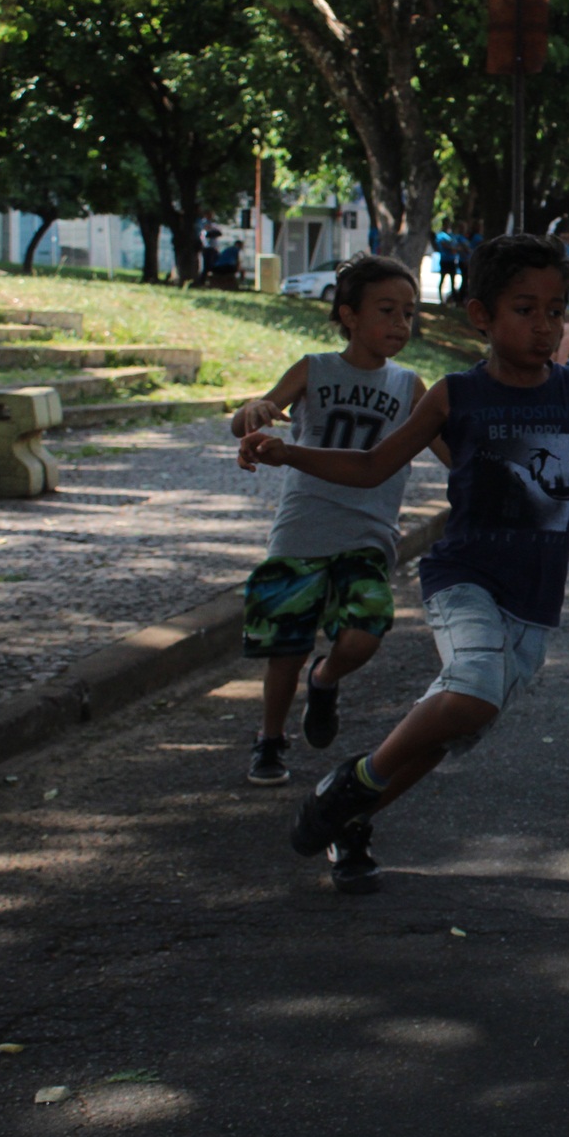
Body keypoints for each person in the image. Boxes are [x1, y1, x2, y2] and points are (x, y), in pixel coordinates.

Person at [238, 235, 569, 894]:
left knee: (454, 722)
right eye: (525, 310)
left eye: (555, 310)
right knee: (474, 689)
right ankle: (352, 784)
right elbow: (372, 465)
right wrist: (289, 452)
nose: (544, 326)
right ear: (481, 315)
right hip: (464, 578)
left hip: (533, 599)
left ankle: (353, 818)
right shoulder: (454, 395)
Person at [232, 255, 447, 799]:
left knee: (366, 632)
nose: (400, 323)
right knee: (285, 646)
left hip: (369, 533)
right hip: (302, 527)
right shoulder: (314, 368)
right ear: (349, 316)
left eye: (408, 313)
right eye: (386, 311)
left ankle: (325, 678)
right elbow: (254, 415)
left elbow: (452, 454)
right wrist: (253, 412)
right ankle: (269, 739)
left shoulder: (410, 386)